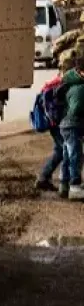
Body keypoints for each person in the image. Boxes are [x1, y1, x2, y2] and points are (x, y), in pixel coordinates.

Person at [61, 53, 84, 200]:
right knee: (75, 155)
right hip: (72, 124)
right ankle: (74, 187)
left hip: (66, 124)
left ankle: (64, 186)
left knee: (67, 155)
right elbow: (76, 109)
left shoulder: (71, 81)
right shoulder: (80, 87)